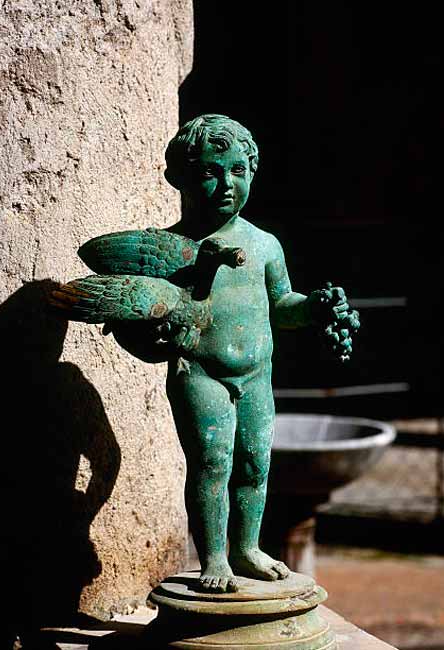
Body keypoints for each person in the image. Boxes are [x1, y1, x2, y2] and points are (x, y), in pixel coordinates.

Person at [162, 114, 359, 593]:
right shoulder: (172, 248)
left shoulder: (265, 245)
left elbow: (281, 305)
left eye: (237, 170)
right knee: (212, 462)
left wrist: (312, 308)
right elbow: (156, 312)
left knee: (254, 463)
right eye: (209, 172)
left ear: (252, 171)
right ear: (183, 178)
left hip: (256, 375)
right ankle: (214, 557)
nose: (226, 184)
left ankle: (247, 547)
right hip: (199, 371)